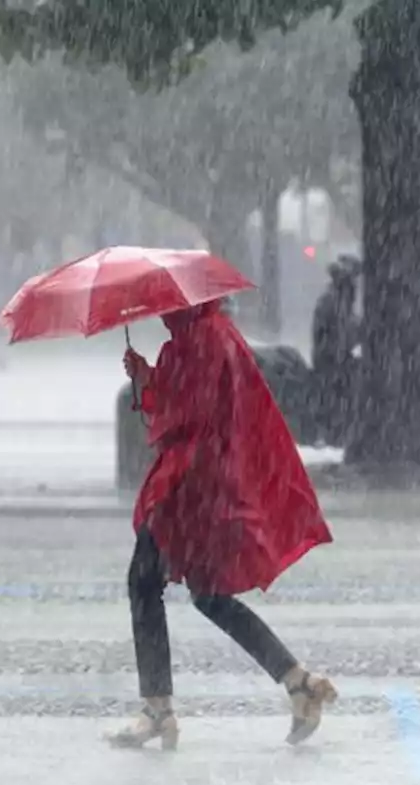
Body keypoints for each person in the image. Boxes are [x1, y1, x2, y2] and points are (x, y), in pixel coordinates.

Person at [113, 300, 338, 750]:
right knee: (209, 595)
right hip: (206, 484)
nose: (164, 308)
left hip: (191, 487)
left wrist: (149, 383)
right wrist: (148, 378)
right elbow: (188, 406)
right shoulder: (208, 335)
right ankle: (299, 682)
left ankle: (158, 708)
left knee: (145, 583)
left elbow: (183, 416)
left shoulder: (202, 339)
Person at [311, 255, 362, 435]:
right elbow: (341, 332)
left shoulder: (338, 299)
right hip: (331, 361)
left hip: (335, 358)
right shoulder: (333, 300)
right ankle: (334, 431)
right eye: (353, 279)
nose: (355, 284)